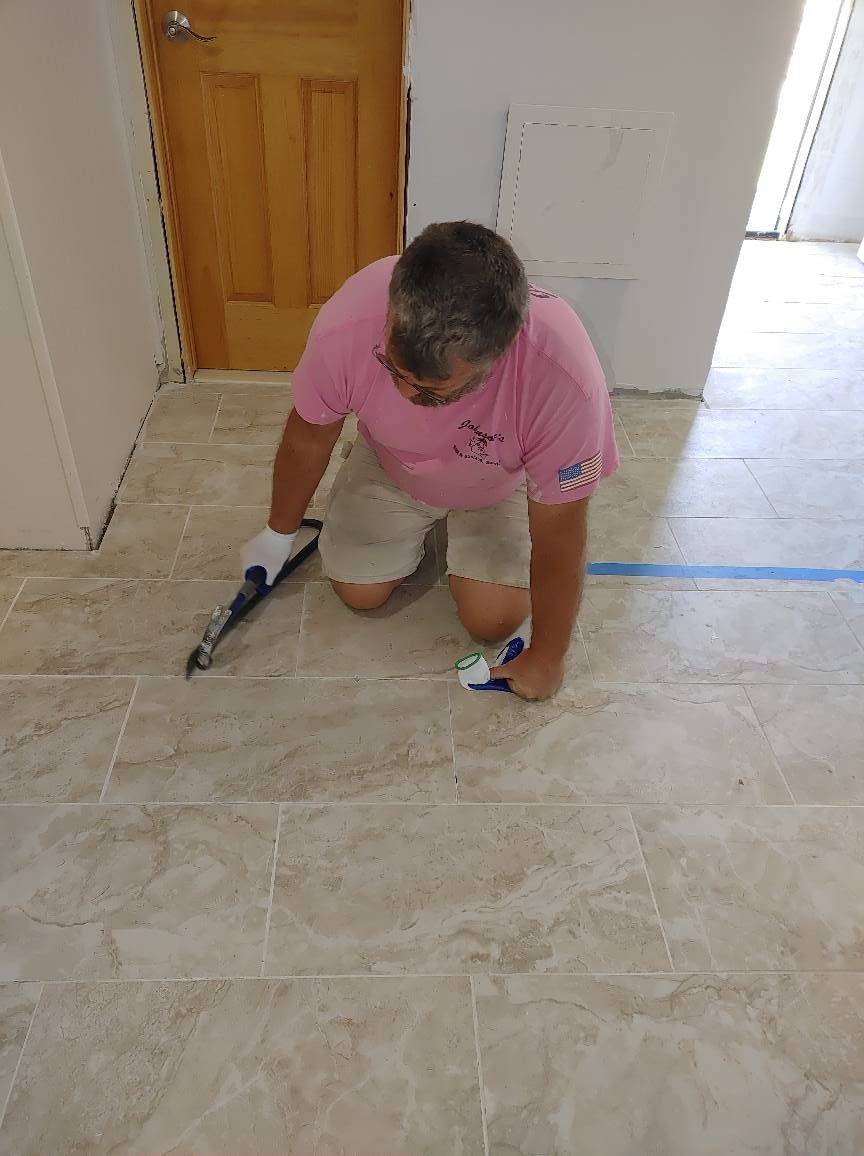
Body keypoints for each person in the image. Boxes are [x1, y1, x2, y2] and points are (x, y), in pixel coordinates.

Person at [241, 221, 618, 700]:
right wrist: (277, 536)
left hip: (499, 479)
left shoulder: (563, 375)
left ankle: (461, 523)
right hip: (393, 463)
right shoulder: (349, 320)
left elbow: (561, 528)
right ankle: (389, 486)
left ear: (498, 357)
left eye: (431, 391)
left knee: (492, 620)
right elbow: (310, 436)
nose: (404, 393)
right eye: (394, 370)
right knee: (359, 591)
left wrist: (548, 657)